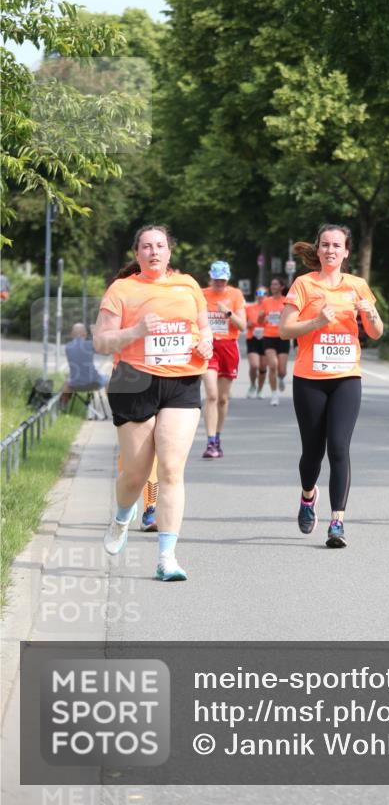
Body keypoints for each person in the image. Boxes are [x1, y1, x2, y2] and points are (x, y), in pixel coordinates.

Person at [93, 224, 212, 581]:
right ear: (137, 254)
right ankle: (121, 517)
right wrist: (135, 332)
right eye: (147, 247)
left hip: (182, 379)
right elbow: (101, 342)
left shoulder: (188, 285)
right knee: (137, 472)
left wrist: (205, 343)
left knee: (172, 469)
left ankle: (166, 558)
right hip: (134, 380)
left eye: (160, 246)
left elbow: (204, 328)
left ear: (170, 252)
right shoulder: (122, 290)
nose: (154, 252)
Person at [280, 224, 383, 548]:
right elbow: (285, 330)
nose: (330, 250)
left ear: (346, 251)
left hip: (346, 377)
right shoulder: (303, 284)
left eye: (336, 245)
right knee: (313, 452)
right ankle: (308, 496)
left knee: (339, 448)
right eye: (325, 245)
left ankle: (337, 522)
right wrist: (316, 322)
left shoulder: (358, 286)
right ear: (318, 249)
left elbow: (377, 332)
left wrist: (369, 315)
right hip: (309, 378)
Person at [201, 261, 246, 457]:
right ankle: (210, 442)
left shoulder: (235, 295)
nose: (219, 283)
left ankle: (217, 436)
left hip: (228, 347)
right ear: (210, 277)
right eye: (216, 279)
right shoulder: (201, 295)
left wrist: (227, 313)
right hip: (209, 347)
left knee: (222, 398)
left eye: (223, 280)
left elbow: (243, 325)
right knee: (211, 394)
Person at [61, 323, 108, 408]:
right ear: (85, 334)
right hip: (93, 382)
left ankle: (63, 407)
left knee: (67, 381)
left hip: (75, 384)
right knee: (107, 379)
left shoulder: (68, 347)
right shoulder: (90, 345)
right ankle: (115, 406)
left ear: (72, 334)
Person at [260, 277, 291, 406]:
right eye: (272, 284)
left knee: (282, 370)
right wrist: (263, 317)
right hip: (268, 336)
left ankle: (281, 378)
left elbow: (292, 318)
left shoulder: (286, 301)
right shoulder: (266, 301)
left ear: (282, 287)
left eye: (275, 284)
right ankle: (274, 394)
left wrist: (284, 317)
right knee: (272, 365)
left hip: (283, 337)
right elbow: (260, 320)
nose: (273, 286)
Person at [245, 286, 268, 399]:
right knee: (254, 365)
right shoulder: (250, 308)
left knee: (263, 367)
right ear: (256, 295)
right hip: (252, 338)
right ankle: (253, 385)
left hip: (265, 338)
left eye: (263, 294)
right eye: (259, 294)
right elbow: (244, 322)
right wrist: (248, 324)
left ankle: (260, 389)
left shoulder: (269, 308)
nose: (261, 296)